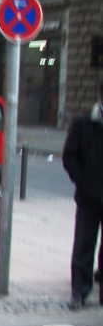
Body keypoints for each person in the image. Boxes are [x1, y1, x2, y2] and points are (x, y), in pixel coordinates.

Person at [62, 81, 103, 310]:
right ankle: (79, 292)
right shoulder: (84, 124)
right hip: (89, 196)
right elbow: (70, 157)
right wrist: (83, 181)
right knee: (84, 245)